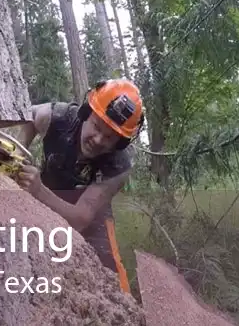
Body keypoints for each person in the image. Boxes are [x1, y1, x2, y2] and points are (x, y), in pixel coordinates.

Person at [13, 78, 145, 294]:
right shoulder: (59, 117)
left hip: (90, 212)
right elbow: (30, 115)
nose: (99, 139)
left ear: (120, 143)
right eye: (96, 126)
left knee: (111, 270)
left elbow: (82, 218)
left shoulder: (119, 165)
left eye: (110, 137)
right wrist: (18, 152)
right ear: (85, 113)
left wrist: (37, 191)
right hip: (48, 191)